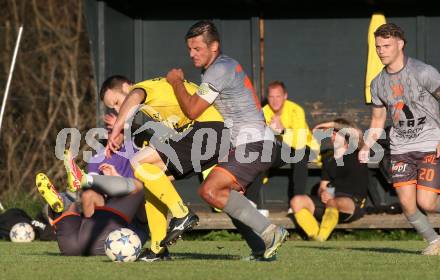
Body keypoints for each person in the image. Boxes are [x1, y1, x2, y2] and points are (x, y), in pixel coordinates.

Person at [82, 75, 270, 261]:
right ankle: (158, 249)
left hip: (208, 130)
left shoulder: (142, 88)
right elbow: (160, 134)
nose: (117, 109)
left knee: (138, 163)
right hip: (210, 134)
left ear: (126, 86)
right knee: (150, 179)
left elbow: (134, 96)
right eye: (113, 107)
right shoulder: (158, 102)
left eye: (116, 102)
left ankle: (182, 214)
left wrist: (118, 126)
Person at [165, 20, 288, 259]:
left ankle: (271, 233)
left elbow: (192, 110)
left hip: (254, 145)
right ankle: (262, 249)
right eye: (189, 49)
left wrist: (176, 82)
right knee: (227, 198)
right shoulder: (224, 65)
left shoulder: (218, 70)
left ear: (214, 46)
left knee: (210, 191)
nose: (191, 54)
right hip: (252, 144)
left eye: (197, 49)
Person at [359, 23, 440, 255]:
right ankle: (435, 242)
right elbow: (377, 121)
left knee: (427, 203)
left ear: (400, 44)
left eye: (386, 45)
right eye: (378, 46)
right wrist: (367, 145)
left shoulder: (423, 72)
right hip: (401, 147)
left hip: (429, 143)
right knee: (407, 204)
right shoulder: (377, 83)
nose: (381, 51)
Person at [35, 150, 149, 256]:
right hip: (104, 242)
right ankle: (81, 183)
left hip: (70, 246)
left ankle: (61, 207)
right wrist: (117, 180)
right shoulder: (144, 219)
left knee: (137, 187)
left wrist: (116, 180)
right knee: (138, 187)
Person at [291, 118, 368, 241]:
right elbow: (323, 186)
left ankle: (322, 238)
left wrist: (328, 124)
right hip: (330, 203)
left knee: (333, 202)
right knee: (297, 201)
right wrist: (323, 193)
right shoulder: (329, 159)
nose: (333, 136)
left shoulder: (359, 152)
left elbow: (356, 132)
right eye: (332, 133)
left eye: (337, 133)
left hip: (353, 204)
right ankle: (316, 237)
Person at [263, 80, 320, 204]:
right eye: (271, 97)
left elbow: (299, 143)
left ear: (285, 96)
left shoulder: (295, 110)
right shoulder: (264, 111)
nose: (275, 100)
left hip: (306, 147)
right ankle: (253, 204)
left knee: (300, 155)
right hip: (283, 150)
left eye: (278, 96)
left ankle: (298, 200)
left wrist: (283, 131)